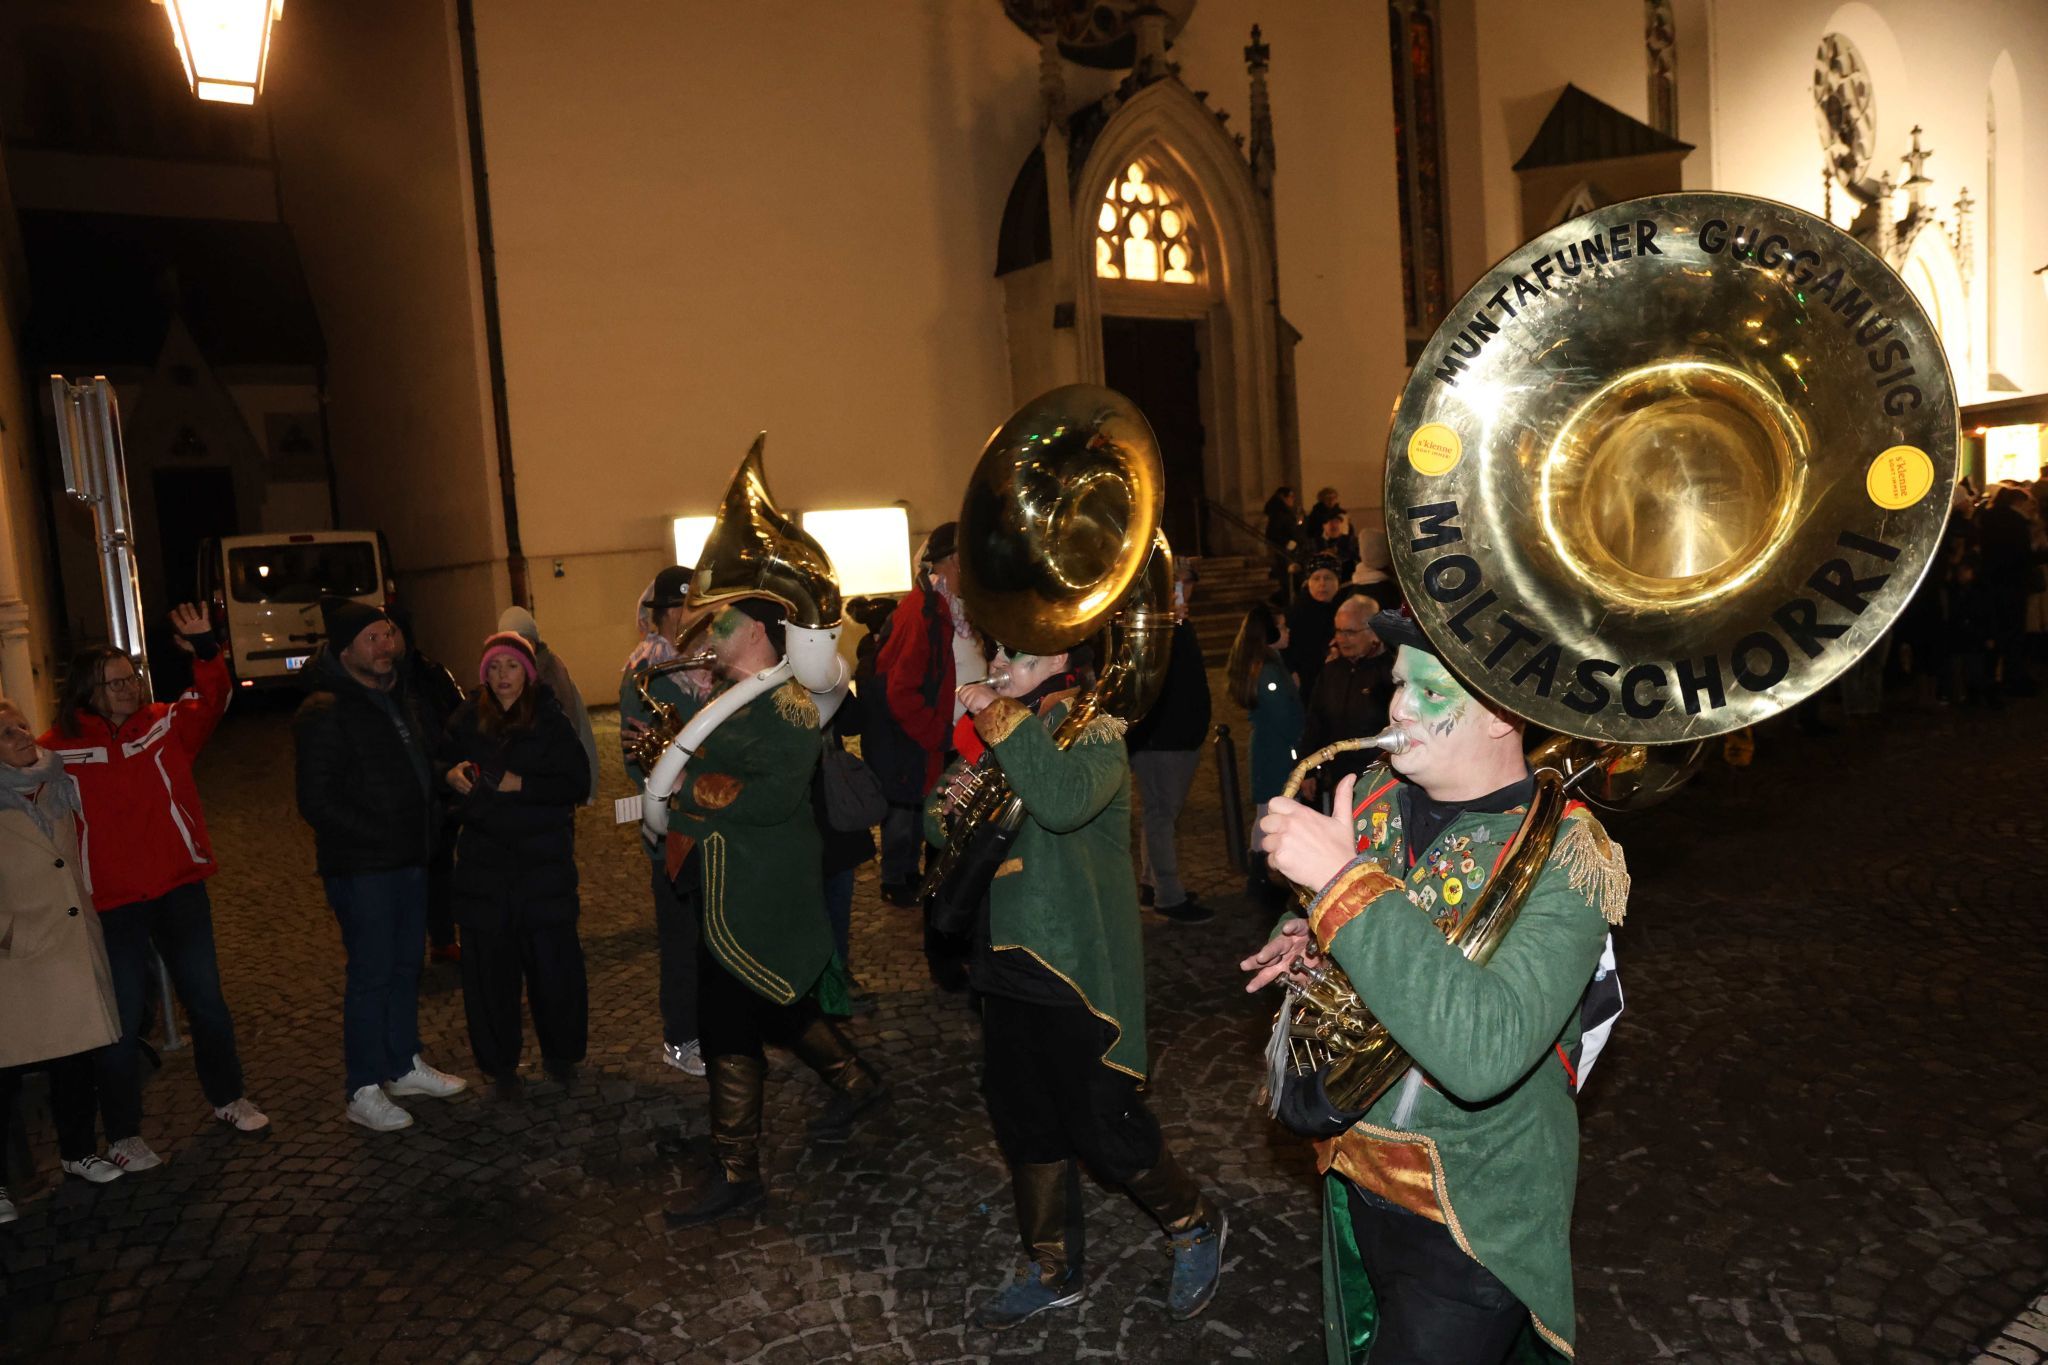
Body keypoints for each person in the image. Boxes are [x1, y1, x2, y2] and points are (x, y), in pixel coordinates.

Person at [1242, 608, 1626, 1363]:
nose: (1397, 708)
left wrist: (1341, 887)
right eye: (1397, 684)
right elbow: (1378, 943)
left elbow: (1484, 1051)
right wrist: (1314, 934)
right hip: (1355, 1174)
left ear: (1500, 714)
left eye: (1429, 690)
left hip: (1475, 1215)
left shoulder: (1571, 857)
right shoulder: (1376, 795)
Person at [941, 642, 1226, 1329]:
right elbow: (944, 819)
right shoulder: (1004, 727)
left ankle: (1193, 1222)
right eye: (997, 650)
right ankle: (1052, 1268)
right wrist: (947, 802)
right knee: (1024, 1121)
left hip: (1072, 966)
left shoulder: (1095, 726)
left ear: (1060, 652)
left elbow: (1062, 801)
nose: (1000, 661)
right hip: (1001, 958)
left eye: (1016, 651)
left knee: (1102, 1123)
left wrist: (1001, 718)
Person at [661, 598, 889, 1227]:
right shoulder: (740, 696)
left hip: (757, 886)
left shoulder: (788, 705)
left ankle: (737, 1171)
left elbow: (774, 793)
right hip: (731, 881)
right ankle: (855, 1081)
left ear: (758, 631)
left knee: (729, 1017)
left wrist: (689, 787)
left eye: (726, 622)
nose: (715, 632)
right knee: (776, 1002)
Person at [42, 607, 269, 1173]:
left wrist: (206, 650)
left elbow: (211, 698)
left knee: (208, 1004)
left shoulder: (163, 725)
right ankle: (123, 1133)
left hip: (177, 888)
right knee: (119, 1024)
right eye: (115, 682)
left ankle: (228, 1097)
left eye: (131, 678)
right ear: (87, 693)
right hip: (112, 904)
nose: (129, 689)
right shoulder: (58, 753)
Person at [294, 597, 469, 1132]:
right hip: (363, 868)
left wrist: (444, 776)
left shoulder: (396, 698)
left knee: (403, 967)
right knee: (371, 974)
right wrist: (383, 834)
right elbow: (317, 802)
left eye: (388, 635)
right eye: (372, 638)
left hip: (409, 858)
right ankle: (363, 1087)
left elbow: (414, 764)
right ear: (345, 649)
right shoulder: (326, 710)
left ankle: (401, 1063)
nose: (385, 646)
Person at [440, 632, 592, 1093]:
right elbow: (439, 771)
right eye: (493, 668)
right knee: (490, 974)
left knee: (554, 967)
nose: (501, 677)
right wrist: (449, 777)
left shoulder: (549, 719)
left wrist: (520, 785)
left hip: (542, 864)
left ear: (526, 673)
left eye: (509, 667)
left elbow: (576, 782)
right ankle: (498, 1062)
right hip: (485, 869)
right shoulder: (467, 719)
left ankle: (562, 1053)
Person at [1, 696, 127, 1212]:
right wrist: (10, 935)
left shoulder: (57, 784)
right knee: (5, 1078)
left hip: (70, 944)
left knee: (76, 1059)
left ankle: (78, 1152)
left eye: (22, 726)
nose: (23, 736)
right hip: (17, 959)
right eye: (7, 734)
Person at [619, 566, 713, 1078]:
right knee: (681, 939)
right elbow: (634, 756)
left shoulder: (709, 666)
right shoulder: (646, 670)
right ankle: (680, 1037)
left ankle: (713, 1026)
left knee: (712, 933)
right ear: (658, 615)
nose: (688, 618)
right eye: (678, 609)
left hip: (714, 821)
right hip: (674, 829)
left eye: (694, 607)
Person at [875, 522, 983, 908]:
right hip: (933, 742)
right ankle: (909, 885)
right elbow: (900, 691)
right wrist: (939, 735)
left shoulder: (946, 605)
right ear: (955, 561)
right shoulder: (925, 610)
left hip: (952, 740)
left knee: (940, 834)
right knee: (921, 824)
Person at [1126, 560, 1213, 923]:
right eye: (1175, 584)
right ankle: (1169, 895)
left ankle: (1151, 884)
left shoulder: (1177, 623)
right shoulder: (1153, 628)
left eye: (1187, 584)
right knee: (1162, 815)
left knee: (1159, 813)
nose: (1182, 591)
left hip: (1177, 736)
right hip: (1163, 740)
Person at [390, 607, 466, 964]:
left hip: (440, 783)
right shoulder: (379, 682)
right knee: (403, 871)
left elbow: (459, 716)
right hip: (402, 791)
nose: (387, 643)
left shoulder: (432, 674)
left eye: (392, 633)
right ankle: (404, 946)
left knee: (439, 866)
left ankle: (442, 937)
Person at [1223, 603, 1305, 910]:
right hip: (1276, 754)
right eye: (1281, 627)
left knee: (1268, 813)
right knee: (1272, 814)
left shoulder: (1270, 664)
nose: (1288, 632)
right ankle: (1263, 880)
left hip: (1271, 751)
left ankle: (1263, 879)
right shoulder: (1269, 670)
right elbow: (1287, 718)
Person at [498, 605, 599, 803]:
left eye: (522, 641)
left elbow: (576, 728)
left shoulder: (551, 675)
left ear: (533, 643)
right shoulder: (505, 678)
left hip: (551, 782)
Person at [1299, 595, 1395, 798]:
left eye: (1350, 632)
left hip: (1380, 779)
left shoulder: (1391, 673)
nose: (1341, 639)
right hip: (1338, 777)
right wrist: (1306, 770)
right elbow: (1315, 721)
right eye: (1338, 631)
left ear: (1373, 632)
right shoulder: (1332, 671)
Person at [1285, 557, 1344, 699]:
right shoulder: (1296, 613)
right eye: (1316, 578)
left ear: (1338, 582)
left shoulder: (1346, 609)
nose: (1322, 584)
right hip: (1309, 684)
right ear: (1308, 582)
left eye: (1328, 578)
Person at [1263, 485, 1305, 604]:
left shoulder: (1283, 512)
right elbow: (1274, 533)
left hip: (1289, 550)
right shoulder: (1278, 513)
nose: (1293, 499)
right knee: (1288, 580)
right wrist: (1288, 543)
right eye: (1290, 496)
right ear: (1282, 497)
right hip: (1284, 552)